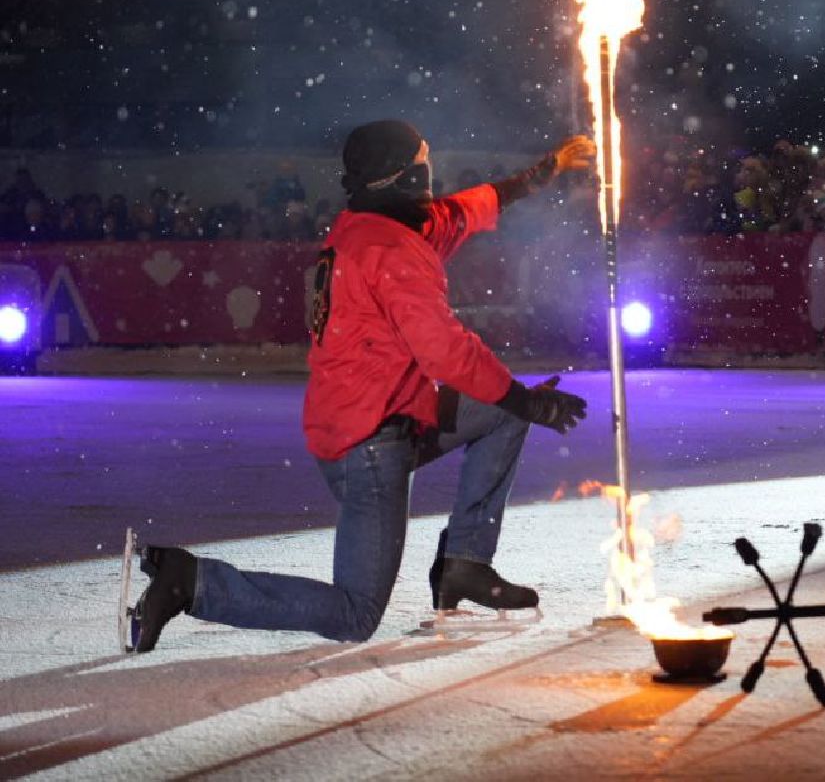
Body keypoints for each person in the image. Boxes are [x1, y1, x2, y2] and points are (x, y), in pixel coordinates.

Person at [127, 120, 596, 651]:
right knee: (356, 613)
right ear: (404, 175)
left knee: (500, 414)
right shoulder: (388, 248)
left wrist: (546, 170)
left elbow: (469, 206)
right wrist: (525, 397)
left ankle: (463, 564)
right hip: (368, 441)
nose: (431, 168)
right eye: (424, 158)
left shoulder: (385, 222)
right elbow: (444, 349)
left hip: (382, 410)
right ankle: (193, 583)